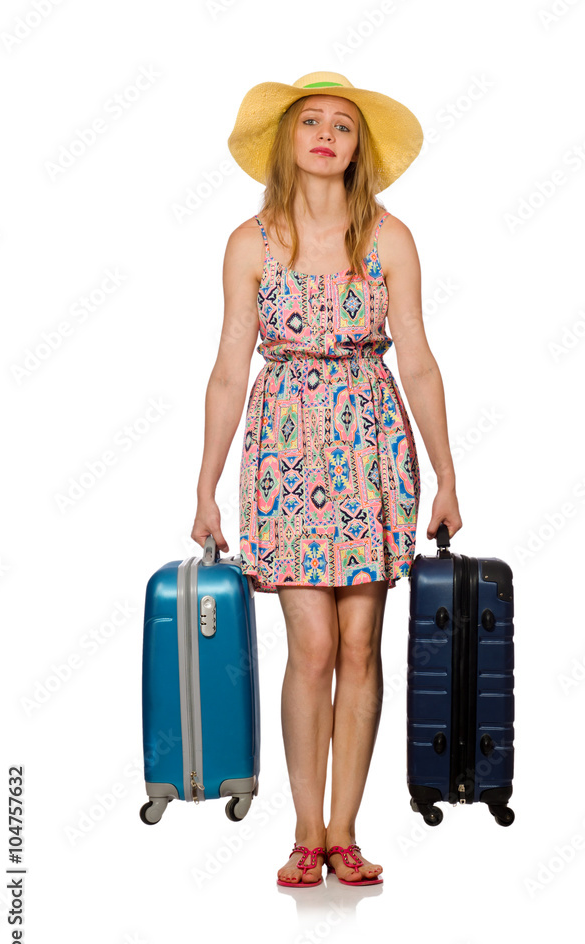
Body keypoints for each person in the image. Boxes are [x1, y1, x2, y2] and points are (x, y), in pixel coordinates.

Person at [191, 71, 462, 888]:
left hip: (369, 448)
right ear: (287, 140)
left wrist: (447, 474)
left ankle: (345, 831)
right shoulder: (250, 242)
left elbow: (418, 360)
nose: (325, 135)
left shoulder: (389, 238)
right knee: (310, 646)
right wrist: (205, 487)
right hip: (284, 453)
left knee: (359, 644)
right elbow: (228, 370)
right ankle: (305, 830)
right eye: (311, 121)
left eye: (343, 126)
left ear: (356, 149)